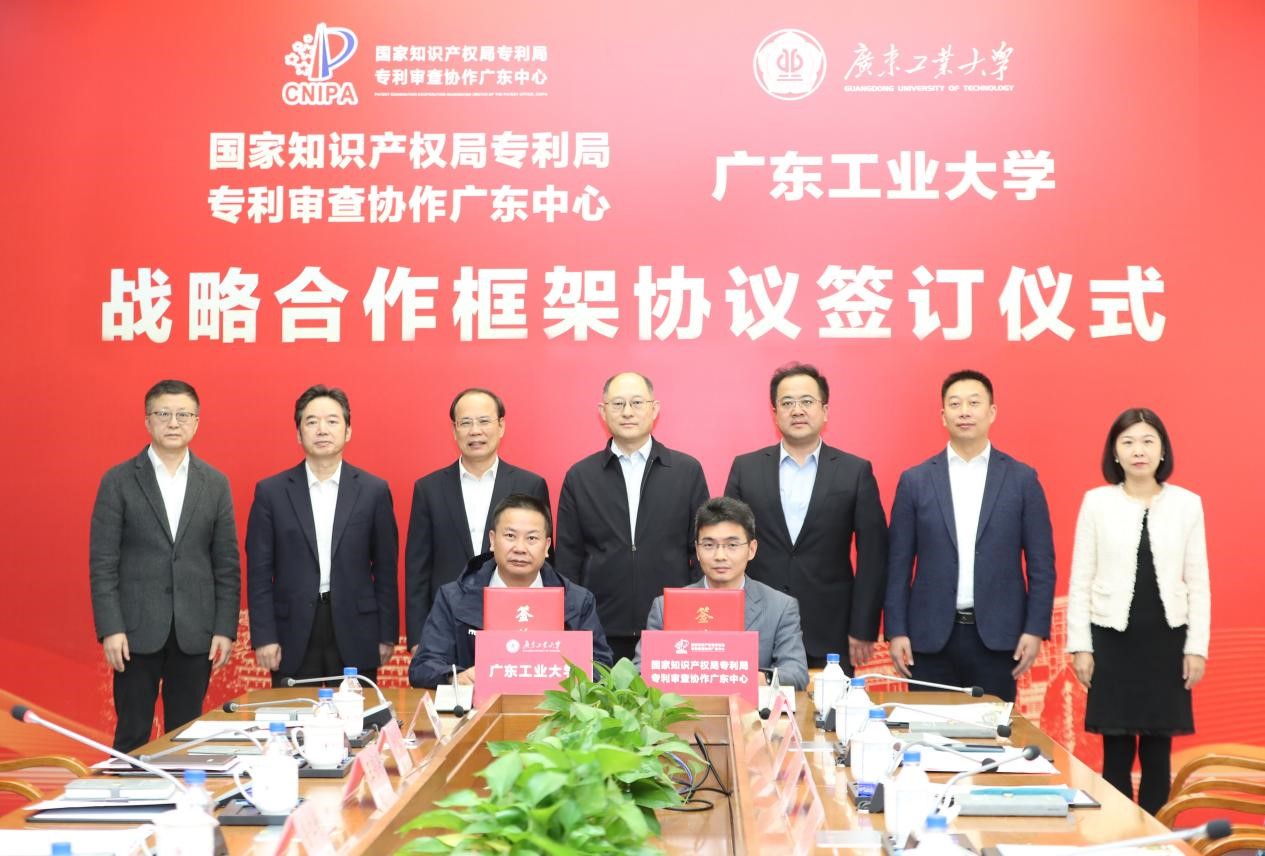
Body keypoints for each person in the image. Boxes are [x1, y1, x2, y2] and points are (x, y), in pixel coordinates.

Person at [1067, 408, 1209, 815]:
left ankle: (1156, 835)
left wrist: (1196, 647)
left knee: (1157, 751)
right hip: (1112, 638)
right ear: (1115, 452)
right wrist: (1081, 646)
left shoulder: (1187, 504)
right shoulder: (1097, 503)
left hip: (1166, 639)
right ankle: (1118, 833)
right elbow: (1081, 578)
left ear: (1163, 450)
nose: (1138, 451)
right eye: (1128, 442)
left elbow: (1198, 580)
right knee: (1115, 749)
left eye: (1148, 441)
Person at [885, 370, 1055, 702]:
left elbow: (1041, 564)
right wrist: (896, 630)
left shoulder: (1022, 480)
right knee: (930, 728)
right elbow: (898, 564)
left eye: (974, 403)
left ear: (992, 412)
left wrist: (1035, 629)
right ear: (942, 415)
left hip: (998, 638)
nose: (964, 411)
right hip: (928, 639)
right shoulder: (915, 481)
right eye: (955, 404)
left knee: (993, 730)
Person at [89, 380, 241, 752]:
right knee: (132, 734)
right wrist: (111, 628)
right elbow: (103, 563)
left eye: (183, 415)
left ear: (196, 422)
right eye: (163, 414)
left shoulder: (214, 483)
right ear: (147, 421)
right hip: (135, 632)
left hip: (195, 630)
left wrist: (224, 628)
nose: (174, 422)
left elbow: (226, 563)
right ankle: (128, 790)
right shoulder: (119, 480)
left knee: (185, 736)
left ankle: (182, 792)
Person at [724, 363, 887, 668]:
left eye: (807, 402)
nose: (797, 410)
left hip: (831, 630)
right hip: (756, 625)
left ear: (825, 411)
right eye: (787, 403)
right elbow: (727, 544)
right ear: (775, 413)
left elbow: (874, 556)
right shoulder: (746, 469)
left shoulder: (854, 472)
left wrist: (863, 627)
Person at [246, 385, 399, 687]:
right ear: (298, 433)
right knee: (295, 714)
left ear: (348, 430)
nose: (322, 430)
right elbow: (259, 573)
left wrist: (386, 634)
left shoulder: (373, 491)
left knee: (357, 714)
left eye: (332, 421)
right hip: (292, 632)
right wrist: (264, 636)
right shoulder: (271, 492)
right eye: (312, 421)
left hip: (357, 628)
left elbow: (385, 569)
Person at [554, 372, 709, 663]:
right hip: (599, 627)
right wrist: (575, 620)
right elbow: (568, 557)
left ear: (654, 408)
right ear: (602, 411)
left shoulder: (686, 471)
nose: (627, 412)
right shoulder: (581, 476)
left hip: (671, 627)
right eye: (618, 404)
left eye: (637, 402)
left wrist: (690, 609)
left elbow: (702, 549)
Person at [409, 493, 613, 687]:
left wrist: (570, 680)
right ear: (492, 540)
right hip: (477, 708)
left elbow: (602, 667)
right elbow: (423, 666)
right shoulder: (453, 598)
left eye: (531, 538)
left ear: (546, 546)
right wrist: (456, 677)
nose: (520, 548)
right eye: (510, 536)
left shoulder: (577, 601)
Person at [404, 388, 549, 653]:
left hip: (514, 622)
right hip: (446, 623)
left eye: (484, 421)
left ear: (501, 426)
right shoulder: (429, 488)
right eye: (466, 423)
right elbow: (417, 568)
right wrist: (417, 638)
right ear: (454, 430)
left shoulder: (529, 485)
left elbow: (544, 561)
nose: (475, 431)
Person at [636, 497, 809, 690]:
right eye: (709, 545)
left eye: (732, 545)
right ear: (697, 550)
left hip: (750, 708)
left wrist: (753, 678)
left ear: (751, 549)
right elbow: (639, 670)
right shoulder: (666, 606)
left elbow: (796, 672)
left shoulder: (780, 607)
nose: (720, 556)